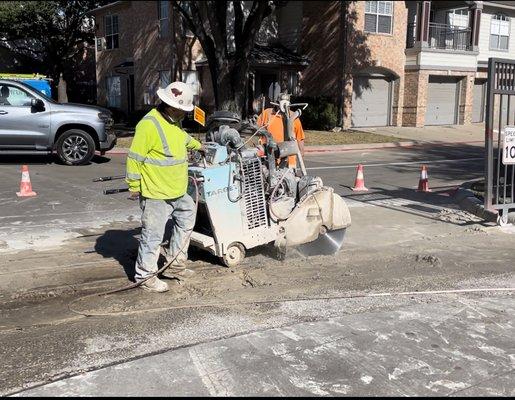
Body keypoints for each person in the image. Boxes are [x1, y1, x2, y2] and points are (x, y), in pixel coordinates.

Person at [126, 81, 204, 293]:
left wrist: (198, 145)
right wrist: (134, 185)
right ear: (171, 106)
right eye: (182, 110)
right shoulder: (148, 125)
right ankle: (145, 276)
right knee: (153, 235)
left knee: (188, 217)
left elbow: (180, 138)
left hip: (177, 190)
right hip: (156, 193)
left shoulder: (173, 121)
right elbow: (134, 158)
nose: (185, 114)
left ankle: (175, 265)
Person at [256, 93, 305, 169]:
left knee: (288, 180)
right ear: (276, 103)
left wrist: (301, 153)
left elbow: (300, 138)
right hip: (269, 157)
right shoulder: (267, 114)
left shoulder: (294, 117)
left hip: (289, 160)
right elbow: (256, 129)